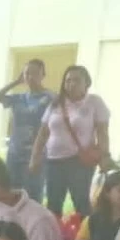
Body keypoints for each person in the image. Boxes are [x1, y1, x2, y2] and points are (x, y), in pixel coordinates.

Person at [31, 65, 111, 218]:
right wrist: (35, 157)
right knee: (53, 204)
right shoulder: (56, 103)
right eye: (68, 81)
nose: (71, 84)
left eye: (76, 80)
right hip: (54, 161)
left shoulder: (94, 102)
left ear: (86, 83)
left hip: (79, 162)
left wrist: (105, 155)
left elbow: (102, 132)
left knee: (81, 203)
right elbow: (42, 133)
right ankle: (54, 237)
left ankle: (85, 238)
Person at [0, 58, 53, 201]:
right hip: (14, 153)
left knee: (33, 194)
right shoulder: (18, 98)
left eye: (35, 73)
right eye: (27, 73)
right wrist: (15, 82)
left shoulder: (50, 97)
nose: (31, 76)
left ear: (43, 75)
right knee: (11, 192)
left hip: (36, 154)